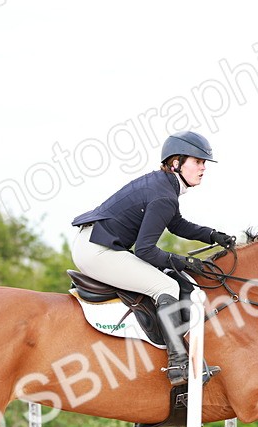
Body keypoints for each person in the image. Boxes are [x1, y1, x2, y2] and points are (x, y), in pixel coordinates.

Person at [70, 131, 236, 386]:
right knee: (166, 285)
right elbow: (145, 251)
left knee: (168, 278)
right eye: (197, 162)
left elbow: (176, 224)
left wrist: (212, 235)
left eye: (204, 163)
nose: (203, 168)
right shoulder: (163, 195)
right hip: (98, 251)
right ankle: (178, 363)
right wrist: (183, 261)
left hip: (95, 243)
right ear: (175, 163)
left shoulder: (163, 185)